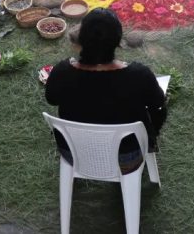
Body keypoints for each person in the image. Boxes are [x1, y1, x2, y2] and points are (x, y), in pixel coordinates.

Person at [45, 9, 167, 173]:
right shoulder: (139, 75)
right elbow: (159, 106)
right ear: (118, 41)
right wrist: (153, 134)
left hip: (73, 152)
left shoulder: (62, 72)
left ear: (82, 39)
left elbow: (52, 99)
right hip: (128, 158)